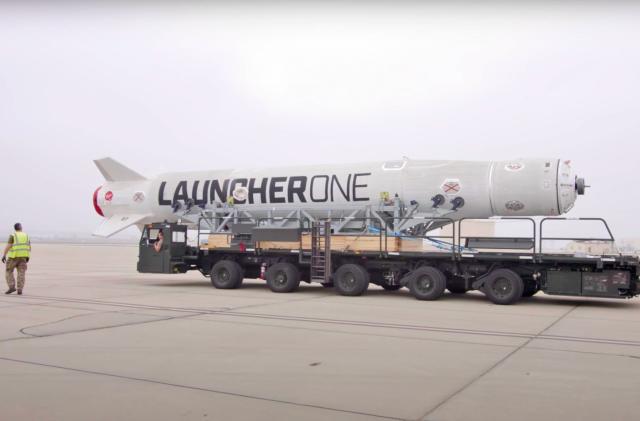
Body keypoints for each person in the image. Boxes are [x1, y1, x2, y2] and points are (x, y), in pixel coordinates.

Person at [2, 223, 31, 295]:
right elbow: (29, 247)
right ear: (21, 227)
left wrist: (4, 255)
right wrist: (28, 256)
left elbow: (9, 245)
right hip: (23, 257)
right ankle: (20, 289)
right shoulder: (26, 236)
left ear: (15, 228)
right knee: (21, 273)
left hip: (13, 257)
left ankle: (11, 286)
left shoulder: (13, 235)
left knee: (9, 271)